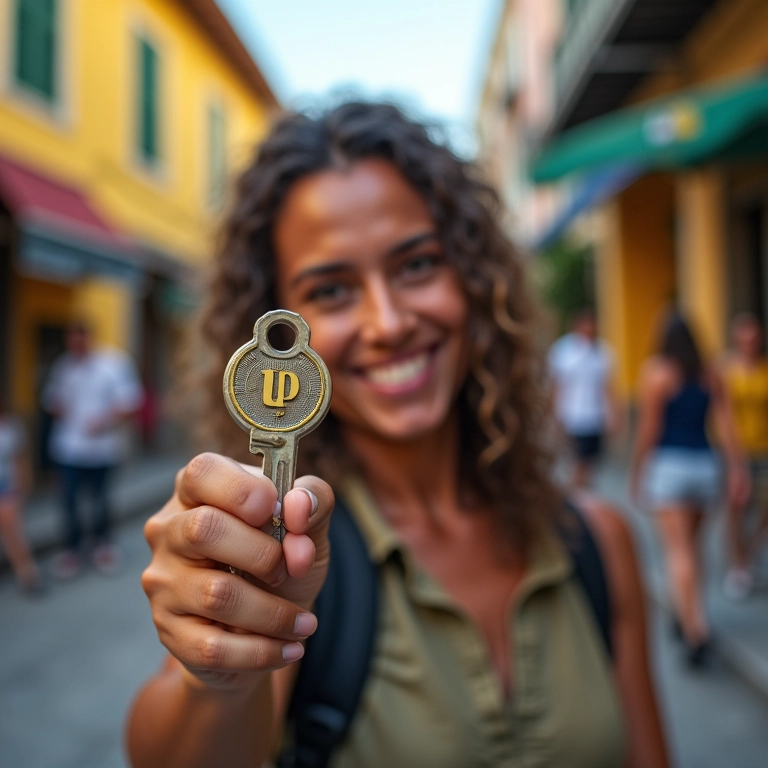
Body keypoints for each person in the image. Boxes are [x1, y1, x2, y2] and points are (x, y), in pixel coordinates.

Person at [127, 102, 668, 767]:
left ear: (475, 280)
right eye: (331, 291)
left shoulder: (598, 544)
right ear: (278, 325)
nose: (387, 323)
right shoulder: (287, 558)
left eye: (416, 266)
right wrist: (213, 677)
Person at [629, 312, 748, 666]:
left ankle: (694, 628)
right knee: (694, 550)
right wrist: (736, 468)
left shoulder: (657, 373)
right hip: (705, 467)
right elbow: (727, 425)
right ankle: (693, 614)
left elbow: (650, 429)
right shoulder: (712, 373)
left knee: (677, 550)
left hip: (669, 467)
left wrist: (637, 471)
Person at [43, 321, 143, 578]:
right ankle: (72, 550)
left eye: (80, 340)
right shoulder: (63, 366)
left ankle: (103, 546)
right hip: (68, 447)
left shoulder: (112, 364)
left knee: (100, 499)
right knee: (69, 501)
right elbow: (52, 399)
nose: (76, 346)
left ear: (89, 338)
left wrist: (105, 420)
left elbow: (131, 401)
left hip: (103, 448)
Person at [720, 312, 768, 599]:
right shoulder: (726, 370)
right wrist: (731, 455)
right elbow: (721, 414)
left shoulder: (764, 369)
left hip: (763, 448)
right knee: (736, 510)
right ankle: (738, 566)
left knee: (763, 508)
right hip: (733, 451)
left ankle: (749, 552)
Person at [548, 308, 621, 489]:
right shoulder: (563, 351)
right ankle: (577, 498)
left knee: (588, 464)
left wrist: (614, 416)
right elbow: (556, 386)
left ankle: (580, 497)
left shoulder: (602, 352)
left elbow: (607, 388)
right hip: (571, 416)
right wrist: (553, 415)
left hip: (594, 417)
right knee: (578, 463)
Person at [0, 392, 41, 592]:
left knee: (14, 535)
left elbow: (20, 458)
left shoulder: (10, 426)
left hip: (5, 485)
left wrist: (24, 485)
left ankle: (28, 576)